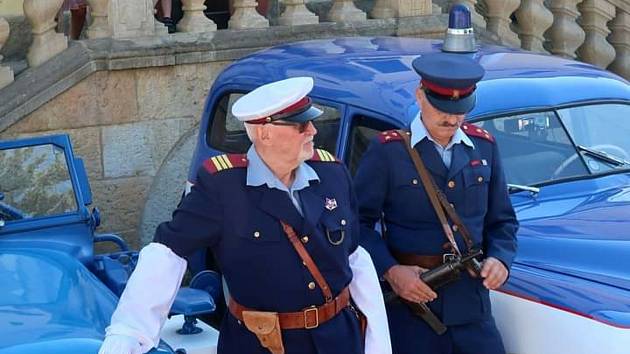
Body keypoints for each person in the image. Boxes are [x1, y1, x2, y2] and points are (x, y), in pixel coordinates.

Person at [98, 77, 391, 354]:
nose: (313, 131)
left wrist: (378, 342)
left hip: (337, 340)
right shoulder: (221, 186)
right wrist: (129, 332)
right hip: (261, 343)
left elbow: (355, 258)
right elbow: (168, 253)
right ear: (265, 132)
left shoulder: (333, 173)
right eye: (301, 126)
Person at [354, 53, 518, 354]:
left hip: (471, 305)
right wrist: (391, 270)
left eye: (461, 110)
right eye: (443, 108)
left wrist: (501, 260)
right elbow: (357, 225)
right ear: (420, 96)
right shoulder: (388, 151)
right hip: (413, 306)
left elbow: (502, 221)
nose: (453, 119)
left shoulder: (484, 147)